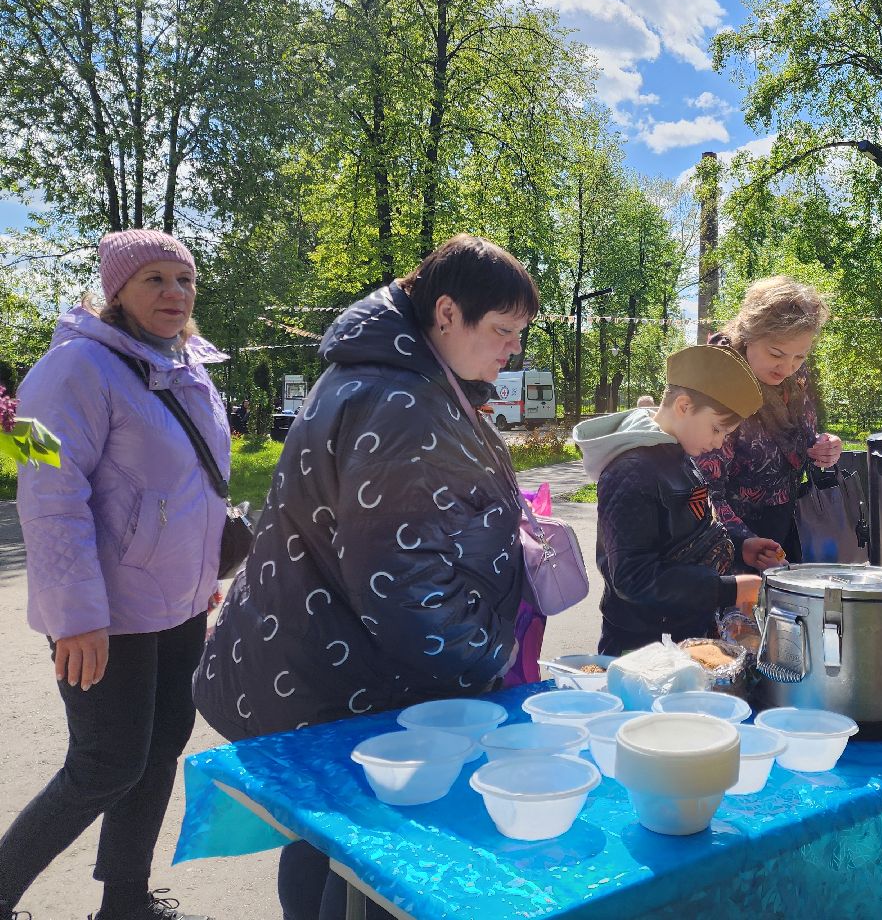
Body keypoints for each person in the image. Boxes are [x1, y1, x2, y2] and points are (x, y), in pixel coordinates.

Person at [191, 234, 541, 920]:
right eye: (503, 330)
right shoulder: (402, 400)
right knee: (359, 860)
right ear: (447, 313)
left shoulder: (389, 374)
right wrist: (486, 665)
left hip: (313, 661)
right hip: (341, 676)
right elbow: (403, 582)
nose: (513, 349)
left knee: (317, 837)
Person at [1, 230, 226, 920]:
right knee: (105, 764)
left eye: (184, 280)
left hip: (178, 605)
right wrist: (75, 617)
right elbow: (40, 493)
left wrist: (202, 575)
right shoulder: (63, 370)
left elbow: (192, 485)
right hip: (104, 616)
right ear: (116, 290)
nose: (174, 293)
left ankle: (126, 903)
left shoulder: (187, 366)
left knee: (160, 751)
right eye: (154, 279)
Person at [574, 346, 765, 656]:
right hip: (641, 647)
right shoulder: (631, 471)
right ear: (684, 405)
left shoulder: (678, 453)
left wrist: (741, 545)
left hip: (681, 631)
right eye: (717, 429)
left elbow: (692, 528)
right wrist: (727, 589)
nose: (719, 442)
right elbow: (634, 578)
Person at [695, 276, 843, 568]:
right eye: (776, 354)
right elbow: (702, 489)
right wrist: (745, 543)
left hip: (785, 530)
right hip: (728, 546)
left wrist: (822, 448)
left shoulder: (796, 378)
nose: (787, 367)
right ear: (748, 335)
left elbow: (798, 444)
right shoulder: (719, 383)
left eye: (800, 356)